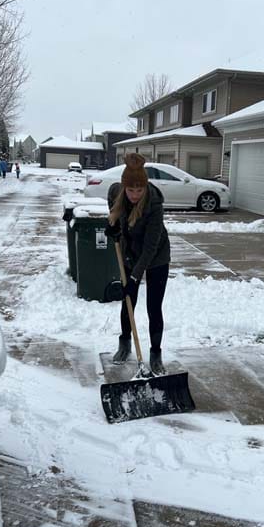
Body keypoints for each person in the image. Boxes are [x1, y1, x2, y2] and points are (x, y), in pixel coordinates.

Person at [105, 153, 170, 375]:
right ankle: (124, 344)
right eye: (130, 190)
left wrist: (134, 278)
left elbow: (151, 247)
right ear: (124, 188)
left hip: (157, 258)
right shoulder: (117, 192)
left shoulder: (155, 205)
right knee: (128, 302)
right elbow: (112, 209)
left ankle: (156, 354)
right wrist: (113, 226)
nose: (134, 195)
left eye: (139, 190)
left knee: (154, 306)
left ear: (145, 187)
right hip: (131, 255)